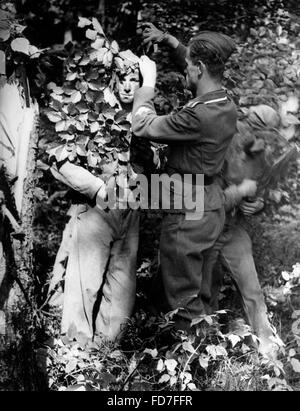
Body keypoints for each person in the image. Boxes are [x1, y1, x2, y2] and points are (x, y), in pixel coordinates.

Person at [132, 28, 238, 330]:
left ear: (200, 68)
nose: (185, 71)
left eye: (189, 65)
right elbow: (198, 67)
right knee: (205, 293)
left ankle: (188, 366)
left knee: (183, 299)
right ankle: (209, 359)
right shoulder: (225, 101)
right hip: (212, 205)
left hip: (188, 210)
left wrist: (147, 85)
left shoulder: (196, 116)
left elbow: (143, 125)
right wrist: (169, 41)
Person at [48, 60, 158, 347]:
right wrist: (96, 187)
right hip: (97, 209)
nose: (127, 85)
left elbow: (158, 160)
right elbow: (58, 161)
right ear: (111, 78)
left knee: (122, 289)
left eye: (135, 79)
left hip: (130, 209)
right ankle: (75, 352)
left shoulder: (144, 117)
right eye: (121, 77)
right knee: (83, 283)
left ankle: (108, 353)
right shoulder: (92, 110)